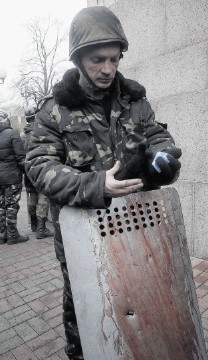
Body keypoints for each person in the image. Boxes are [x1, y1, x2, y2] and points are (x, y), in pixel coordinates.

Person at [25, 6, 182, 359]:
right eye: (98, 59)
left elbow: (155, 136)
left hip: (136, 228)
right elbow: (39, 165)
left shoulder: (135, 101)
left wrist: (163, 157)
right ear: (79, 58)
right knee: (86, 311)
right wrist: (97, 185)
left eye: (114, 58)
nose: (108, 69)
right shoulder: (54, 110)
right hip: (83, 234)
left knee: (140, 303)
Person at [21, 106, 54, 239]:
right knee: (43, 196)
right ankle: (41, 228)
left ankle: (34, 225)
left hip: (28, 170)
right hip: (41, 168)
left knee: (31, 195)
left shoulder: (22, 135)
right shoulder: (41, 130)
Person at [0, 109, 29, 245]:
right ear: (6, 119)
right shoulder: (12, 134)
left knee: (0, 206)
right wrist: (27, 172)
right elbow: (21, 157)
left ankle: (2, 235)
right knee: (11, 205)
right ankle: (12, 235)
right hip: (12, 177)